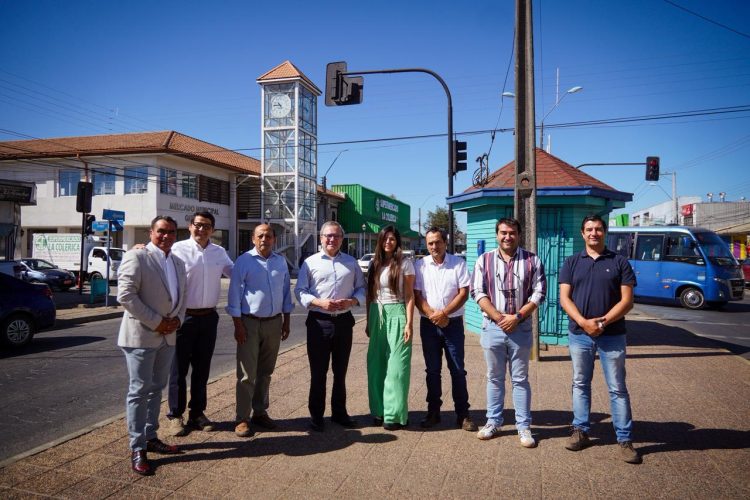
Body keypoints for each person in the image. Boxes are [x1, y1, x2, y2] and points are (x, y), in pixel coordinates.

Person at [558, 214, 641, 464]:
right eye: (589, 229)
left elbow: (627, 301)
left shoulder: (619, 262)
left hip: (612, 336)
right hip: (579, 335)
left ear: (605, 232)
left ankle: (624, 439)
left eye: (598, 229)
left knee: (617, 388)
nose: (594, 233)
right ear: (582, 234)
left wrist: (602, 323)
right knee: (580, 383)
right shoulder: (572, 262)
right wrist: (584, 323)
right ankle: (580, 430)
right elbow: (564, 298)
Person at [117, 215, 187, 476]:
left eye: (171, 232)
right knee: (139, 392)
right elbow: (126, 295)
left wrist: (177, 320)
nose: (166, 236)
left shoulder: (177, 262)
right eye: (161, 231)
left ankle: (151, 436)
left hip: (168, 337)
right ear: (151, 232)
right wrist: (158, 322)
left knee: (157, 390)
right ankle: (137, 447)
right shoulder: (137, 257)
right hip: (141, 336)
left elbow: (183, 295)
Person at [470, 217, 546, 447]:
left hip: (520, 327)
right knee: (494, 377)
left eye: (512, 233)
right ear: (497, 235)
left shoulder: (532, 260)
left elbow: (539, 292)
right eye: (503, 232)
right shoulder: (484, 260)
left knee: (520, 379)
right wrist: (499, 317)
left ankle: (523, 426)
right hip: (492, 327)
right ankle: (493, 422)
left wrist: (517, 317)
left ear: (519, 235)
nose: (507, 237)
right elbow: (477, 291)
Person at [166, 211, 233, 436]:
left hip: (209, 318)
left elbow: (236, 273)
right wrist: (140, 249)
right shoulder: (177, 249)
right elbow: (154, 258)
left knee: (202, 369)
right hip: (183, 318)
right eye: (198, 225)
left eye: (206, 226)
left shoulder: (219, 252)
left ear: (212, 230)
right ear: (190, 226)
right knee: (178, 369)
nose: (201, 229)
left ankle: (197, 413)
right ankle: (175, 415)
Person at [295, 221, 366, 432]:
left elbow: (362, 288)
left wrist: (352, 301)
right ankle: (316, 416)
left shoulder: (351, 263)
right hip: (319, 322)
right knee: (318, 372)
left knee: (340, 371)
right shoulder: (310, 263)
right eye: (328, 236)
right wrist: (319, 302)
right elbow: (300, 291)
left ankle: (339, 413)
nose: (332, 239)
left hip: (343, 322)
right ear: (321, 238)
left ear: (342, 239)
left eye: (336, 236)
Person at [226, 224, 292, 437]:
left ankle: (260, 412)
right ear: (253, 239)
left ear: (274, 239)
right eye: (260, 236)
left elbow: (285, 292)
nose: (265, 239)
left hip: (274, 323)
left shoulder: (280, 261)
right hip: (249, 323)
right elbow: (234, 294)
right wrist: (238, 325)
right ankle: (242, 418)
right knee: (247, 374)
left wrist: (286, 320)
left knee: (266, 372)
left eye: (269, 236)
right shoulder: (244, 261)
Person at [414, 227, 477, 432]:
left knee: (458, 370)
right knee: (432, 371)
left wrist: (444, 314)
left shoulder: (458, 264)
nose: (434, 246)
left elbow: (463, 293)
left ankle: (463, 415)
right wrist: (433, 315)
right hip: (429, 325)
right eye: (430, 243)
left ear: (445, 243)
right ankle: (433, 412)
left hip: (453, 324)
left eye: (438, 242)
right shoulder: (420, 265)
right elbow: (417, 295)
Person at [365, 225, 415, 431]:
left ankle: (394, 414)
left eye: (392, 239)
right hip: (376, 313)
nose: (388, 242)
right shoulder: (374, 263)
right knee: (375, 365)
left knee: (397, 368)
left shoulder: (405, 263)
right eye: (385, 239)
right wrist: (368, 321)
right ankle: (379, 410)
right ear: (380, 241)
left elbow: (410, 295)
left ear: (397, 242)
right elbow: (369, 295)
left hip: (398, 313)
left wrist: (409, 323)